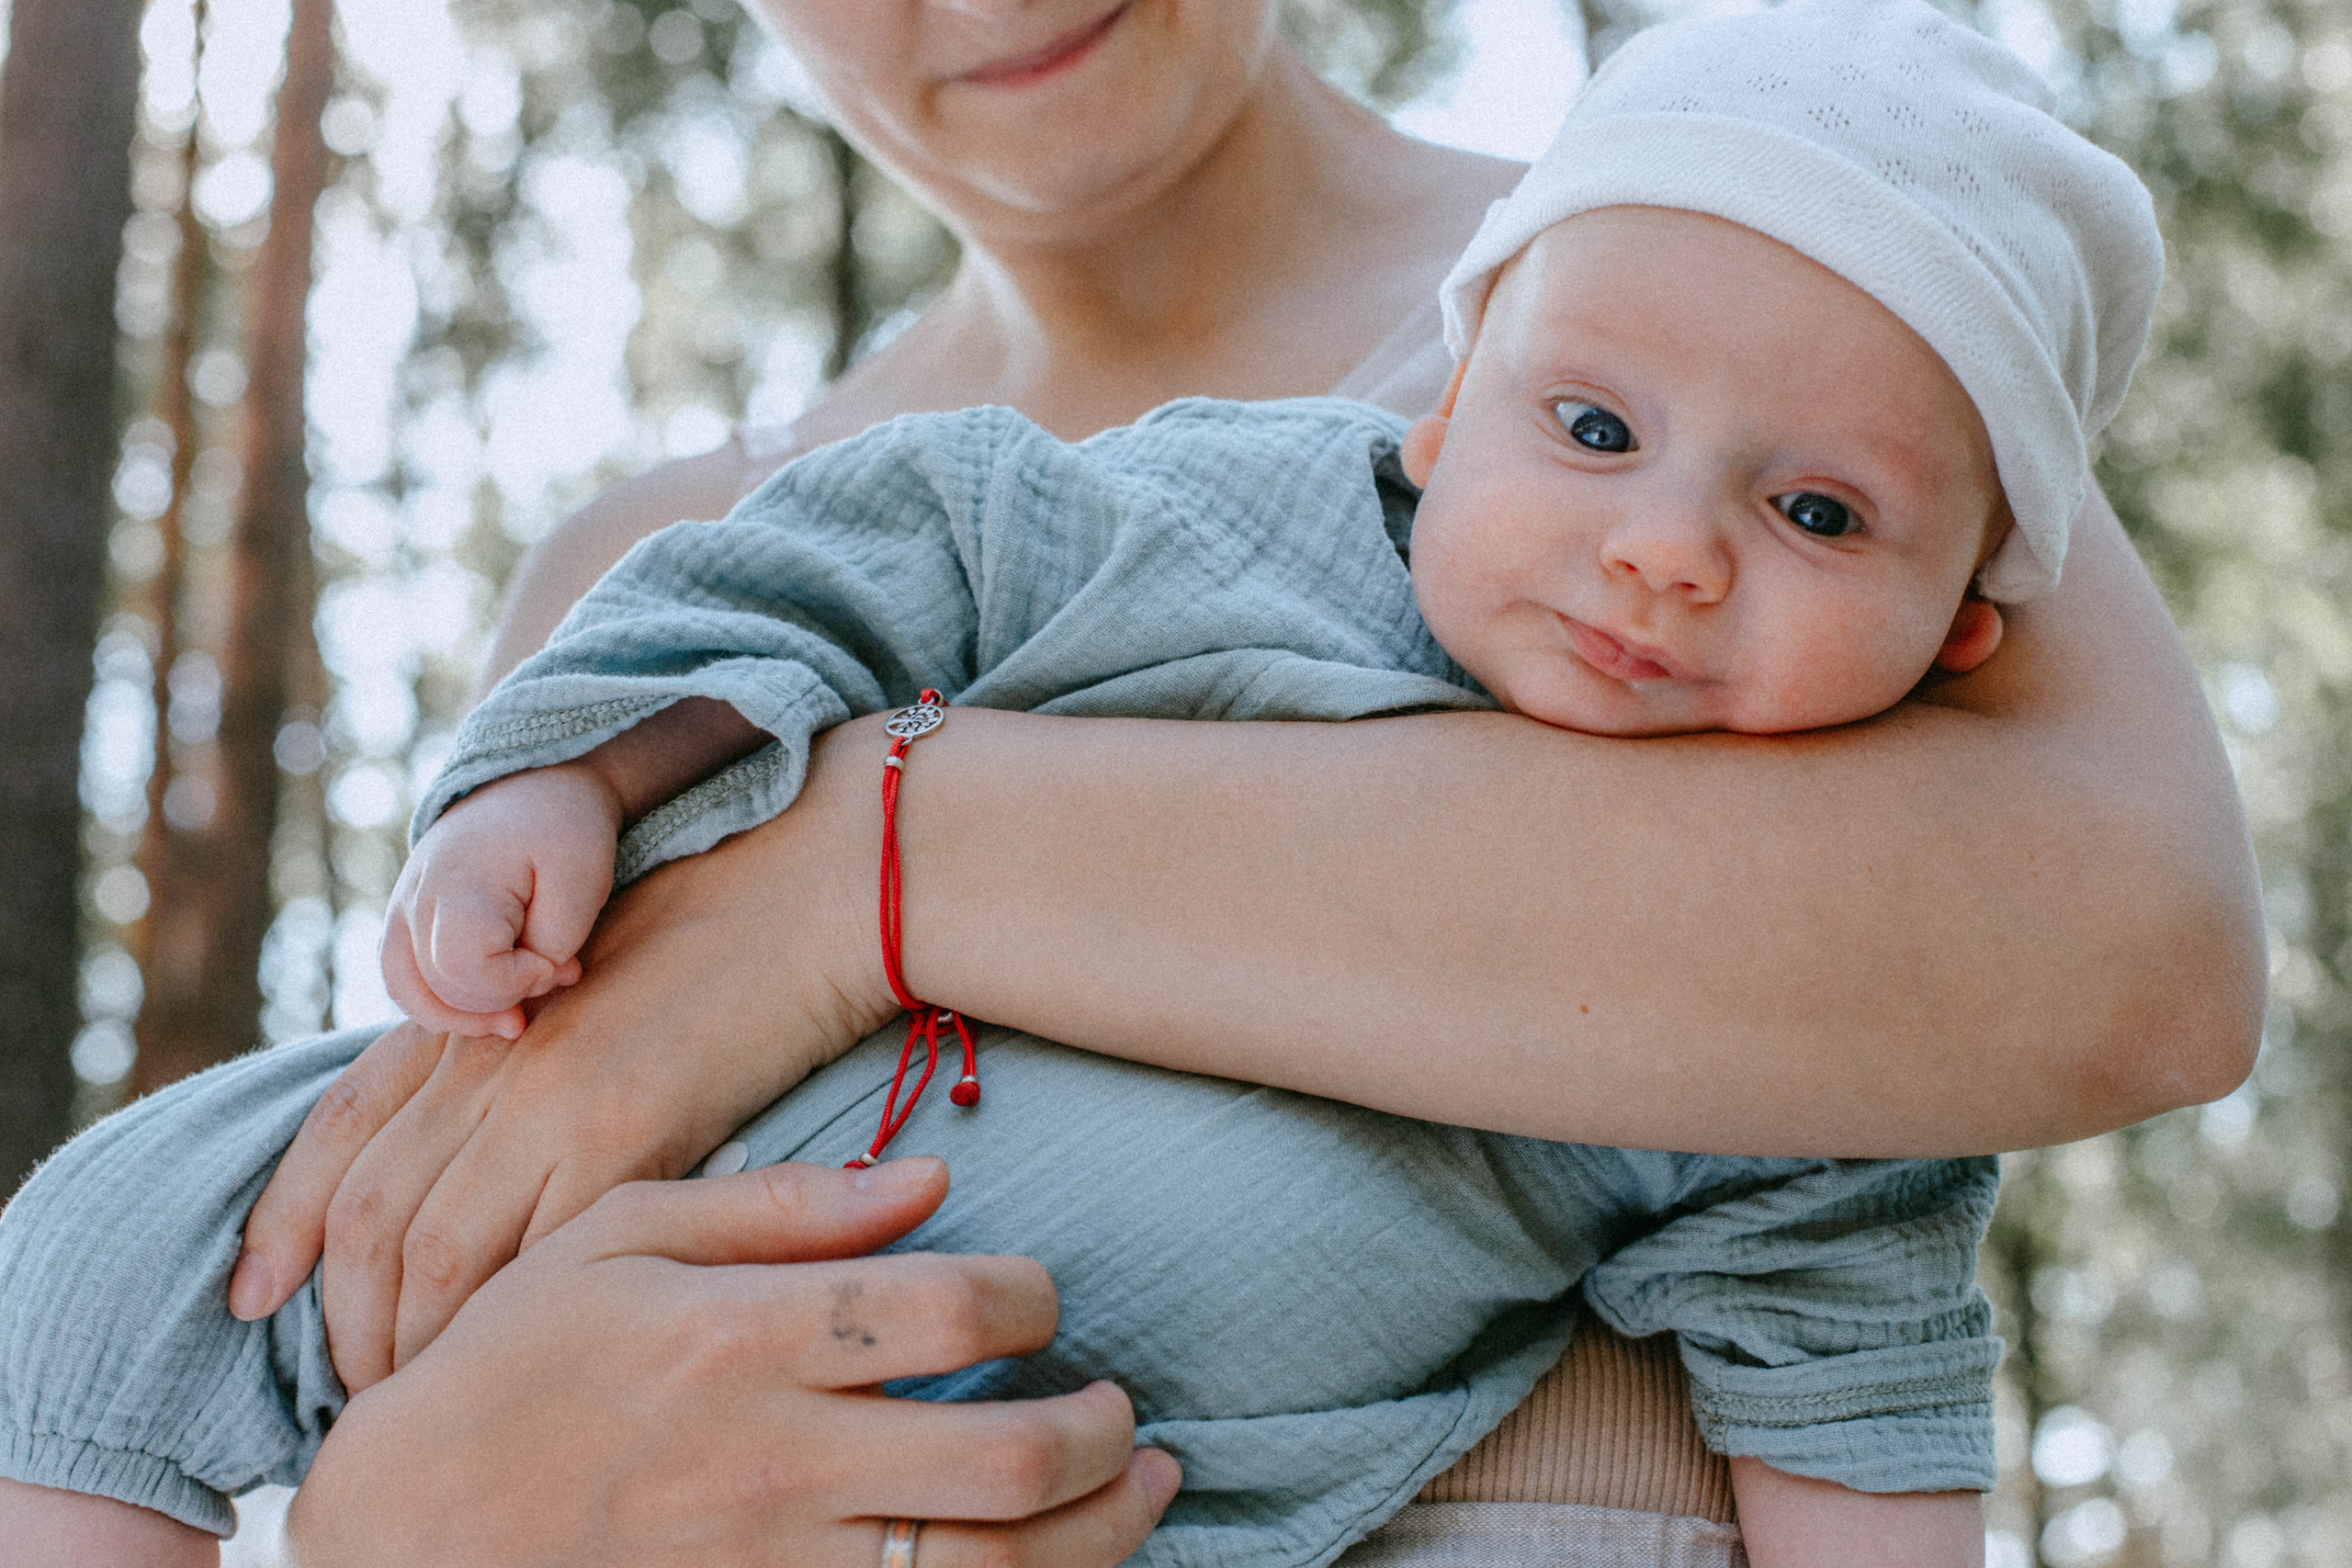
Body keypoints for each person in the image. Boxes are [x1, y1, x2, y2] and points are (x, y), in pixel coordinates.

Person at [0, 0, 2260, 1563]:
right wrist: (401, 1512)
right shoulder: (657, 563)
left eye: (1793, 524)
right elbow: (446, 1246)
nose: (1665, 544)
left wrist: (874, 855)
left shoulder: (1759, 266)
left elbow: (2131, 954)